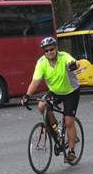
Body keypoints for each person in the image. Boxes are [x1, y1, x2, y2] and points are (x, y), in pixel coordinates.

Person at [21, 36, 83, 164]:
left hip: (70, 91)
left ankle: (71, 152)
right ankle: (56, 129)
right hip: (55, 91)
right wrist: (27, 95)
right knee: (42, 106)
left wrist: (73, 65)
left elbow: (75, 63)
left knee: (69, 122)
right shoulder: (41, 62)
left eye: (51, 49)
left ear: (56, 48)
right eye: (46, 50)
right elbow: (35, 81)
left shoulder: (64, 57)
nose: (49, 52)